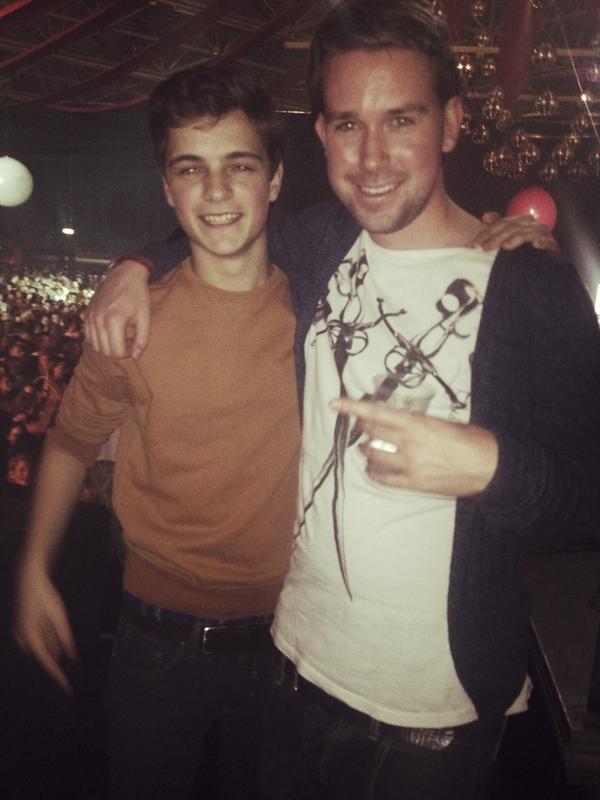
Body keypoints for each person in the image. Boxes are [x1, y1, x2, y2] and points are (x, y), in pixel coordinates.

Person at [84, 2, 600, 799]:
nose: (372, 156)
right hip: (289, 672)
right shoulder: (317, 245)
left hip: (432, 725)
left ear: (451, 123)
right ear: (321, 133)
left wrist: (493, 469)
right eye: (349, 125)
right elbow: (219, 230)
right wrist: (133, 265)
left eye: (401, 120)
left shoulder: (532, 289)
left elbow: (588, 495)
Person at [14, 64, 299, 800]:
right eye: (190, 169)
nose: (215, 191)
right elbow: (72, 441)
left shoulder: (323, 308)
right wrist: (34, 570)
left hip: (296, 640)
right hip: (155, 641)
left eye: (240, 166)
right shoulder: (131, 321)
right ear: (168, 189)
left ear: (274, 179)